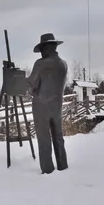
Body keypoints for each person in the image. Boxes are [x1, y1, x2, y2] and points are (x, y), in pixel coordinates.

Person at [27, 33, 68, 174]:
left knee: (44, 139)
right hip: (57, 106)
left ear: (45, 48)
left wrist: (29, 87)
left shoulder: (40, 64)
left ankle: (48, 169)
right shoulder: (63, 64)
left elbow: (32, 84)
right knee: (58, 137)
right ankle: (62, 165)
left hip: (41, 106)